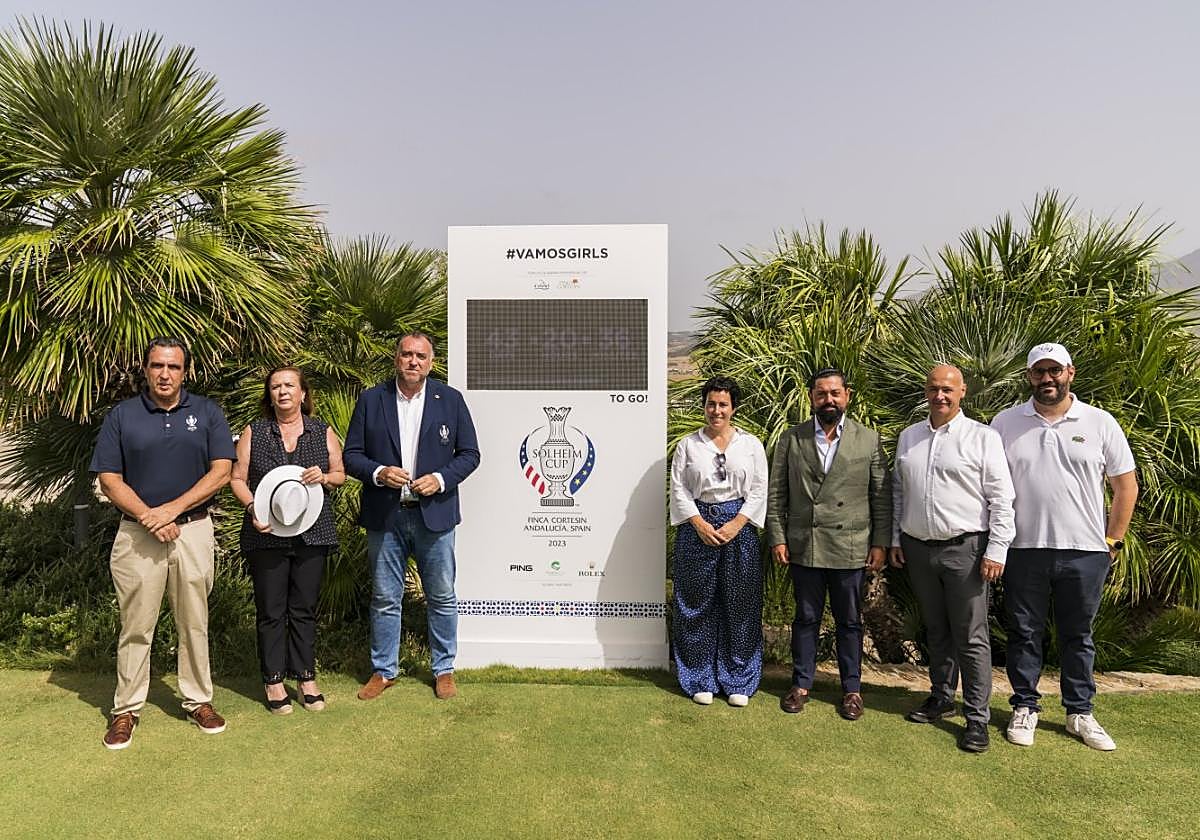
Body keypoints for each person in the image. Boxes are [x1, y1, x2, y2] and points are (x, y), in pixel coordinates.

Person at [89, 337, 235, 749]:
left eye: (172, 367)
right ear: (147, 370)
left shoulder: (206, 411)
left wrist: (170, 510)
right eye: (157, 366)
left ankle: (198, 701)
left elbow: (222, 470)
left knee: (194, 622)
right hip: (138, 534)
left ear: (184, 371)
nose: (164, 374)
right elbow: (109, 479)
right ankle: (126, 709)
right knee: (136, 625)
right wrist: (150, 517)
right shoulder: (123, 415)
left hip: (192, 530)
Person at [991, 342, 1137, 751]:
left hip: (1085, 552)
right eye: (1040, 372)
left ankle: (1080, 712)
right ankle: (1024, 706)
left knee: (1078, 634)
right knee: (1023, 633)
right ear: (1029, 377)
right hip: (1023, 549)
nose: (1047, 378)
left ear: (1070, 373)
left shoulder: (1099, 422)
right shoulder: (1005, 423)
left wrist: (1113, 540)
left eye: (1055, 370)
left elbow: (1125, 484)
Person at [344, 333, 480, 701]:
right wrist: (378, 473)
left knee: (441, 595)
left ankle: (444, 669)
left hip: (434, 516)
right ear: (396, 359)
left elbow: (470, 454)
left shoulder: (450, 400)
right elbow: (351, 455)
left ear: (431, 362)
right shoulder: (373, 399)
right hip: (385, 515)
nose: (413, 361)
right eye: (406, 354)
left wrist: (439, 479)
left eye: (420, 356)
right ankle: (384, 670)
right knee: (386, 597)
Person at [889, 365, 1015, 753]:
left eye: (947, 389)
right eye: (933, 389)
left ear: (962, 393)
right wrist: (895, 537)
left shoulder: (982, 437)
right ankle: (941, 696)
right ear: (925, 392)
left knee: (971, 636)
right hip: (917, 548)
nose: (939, 396)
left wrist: (996, 549)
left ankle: (977, 718)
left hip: (966, 549)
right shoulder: (909, 437)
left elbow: (1001, 497)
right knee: (936, 629)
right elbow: (899, 493)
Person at [766, 367, 891, 720]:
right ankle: (801, 683)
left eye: (834, 393)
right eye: (821, 394)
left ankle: (852, 689)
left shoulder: (868, 439)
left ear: (846, 395)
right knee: (805, 618)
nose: (828, 400)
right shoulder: (792, 439)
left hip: (850, 546)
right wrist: (777, 536)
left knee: (849, 621)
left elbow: (880, 496)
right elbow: (777, 495)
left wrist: (880, 542)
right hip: (806, 543)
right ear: (812, 398)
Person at [229, 366, 345, 714]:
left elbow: (340, 474)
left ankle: (306, 677)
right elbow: (237, 477)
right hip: (265, 532)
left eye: (289, 385)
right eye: (276, 386)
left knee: (304, 608)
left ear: (303, 393)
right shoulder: (256, 431)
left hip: (312, 531)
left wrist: (324, 476)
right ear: (270, 394)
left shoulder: (321, 430)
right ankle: (274, 679)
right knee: (271, 610)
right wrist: (252, 507)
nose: (283, 391)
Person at [669, 376, 769, 707]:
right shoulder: (688, 445)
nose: (716, 410)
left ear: (733, 408)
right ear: (704, 406)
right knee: (695, 604)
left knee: (740, 603)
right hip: (696, 529)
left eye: (723, 404)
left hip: (739, 529)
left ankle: (738, 678)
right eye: (711, 403)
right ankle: (699, 677)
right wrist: (698, 523)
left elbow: (758, 489)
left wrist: (738, 523)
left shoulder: (751, 445)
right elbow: (679, 489)